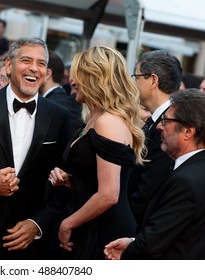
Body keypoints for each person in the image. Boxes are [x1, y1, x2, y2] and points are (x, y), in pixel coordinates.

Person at [49, 46, 145, 259]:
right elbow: (98, 179)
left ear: (95, 79)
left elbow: (109, 194)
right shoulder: (96, 119)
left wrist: (67, 223)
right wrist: (71, 180)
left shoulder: (108, 122)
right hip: (92, 225)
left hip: (106, 233)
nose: (72, 81)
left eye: (78, 76)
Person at [0, 36, 72, 260]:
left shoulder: (59, 117)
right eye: (26, 60)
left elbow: (66, 181)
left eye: (41, 63)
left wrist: (38, 223)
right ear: (8, 65)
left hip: (30, 245)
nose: (34, 69)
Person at [105, 89, 205, 259]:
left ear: (188, 132)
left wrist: (128, 250)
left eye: (166, 121)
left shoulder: (185, 181)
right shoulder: (193, 169)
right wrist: (133, 241)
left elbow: (154, 242)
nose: (159, 126)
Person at [128, 50, 182, 231]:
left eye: (136, 77)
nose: (133, 83)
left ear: (153, 80)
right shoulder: (156, 120)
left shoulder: (169, 126)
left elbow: (148, 190)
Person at [39, 50, 84, 135]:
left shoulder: (51, 105)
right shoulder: (66, 100)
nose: (33, 71)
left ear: (48, 74)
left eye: (40, 66)